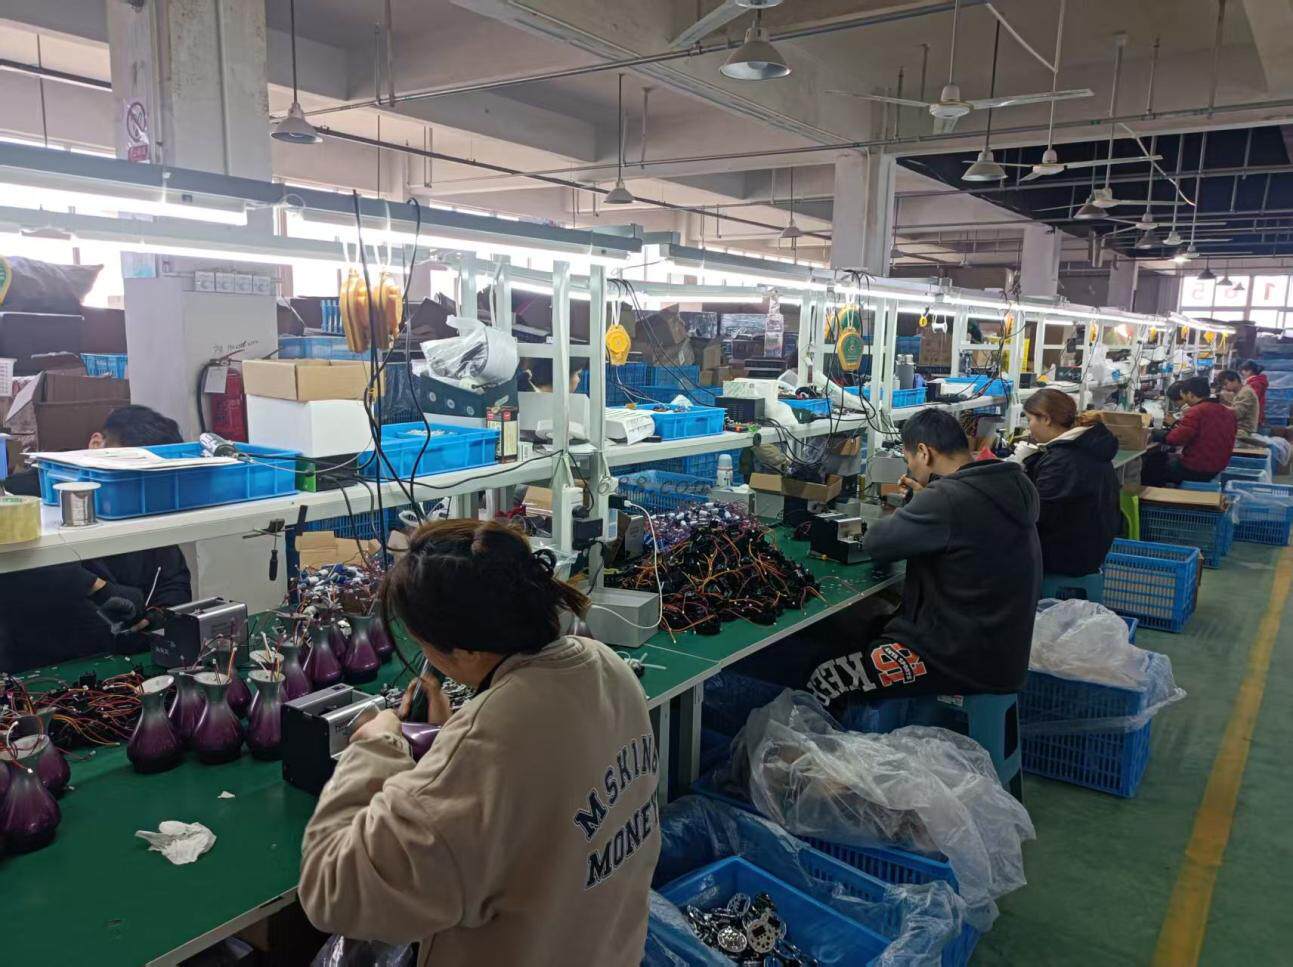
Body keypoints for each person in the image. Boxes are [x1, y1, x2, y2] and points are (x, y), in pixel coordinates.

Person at [299, 520, 658, 967]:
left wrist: (375, 748)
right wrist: (460, 733)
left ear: (466, 651)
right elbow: (542, 785)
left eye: (424, 645)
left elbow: (330, 893)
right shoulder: (606, 666)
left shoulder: (489, 749)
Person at [739, 409, 1042, 714]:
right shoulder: (1013, 483)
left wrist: (917, 504)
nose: (910, 466)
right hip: (1001, 650)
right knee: (860, 627)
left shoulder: (948, 498)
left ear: (924, 452)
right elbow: (961, 525)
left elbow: (877, 543)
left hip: (953, 659)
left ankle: (831, 742)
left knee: (824, 676)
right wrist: (924, 500)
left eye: (909, 458)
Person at [0, 405, 191, 672]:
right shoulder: (22, 493)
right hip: (44, 666)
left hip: (130, 661)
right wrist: (96, 587)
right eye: (128, 470)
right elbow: (18, 564)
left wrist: (163, 613)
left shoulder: (144, 500)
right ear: (96, 443)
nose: (134, 484)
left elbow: (173, 576)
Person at [1018, 389, 1120, 577]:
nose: (1028, 427)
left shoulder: (1063, 460)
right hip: (1090, 546)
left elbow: (1038, 513)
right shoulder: (1086, 445)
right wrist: (1035, 460)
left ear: (1046, 419)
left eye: (1029, 419)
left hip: (1069, 555)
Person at [1141, 376, 1238, 487]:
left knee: (1152, 462)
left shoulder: (1197, 411)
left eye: (1185, 396)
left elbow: (1177, 439)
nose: (1185, 400)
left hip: (1197, 468)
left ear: (1191, 394)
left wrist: (1157, 434)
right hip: (1217, 467)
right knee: (1164, 458)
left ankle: (1156, 495)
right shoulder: (1228, 412)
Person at [1217, 369, 1261, 440]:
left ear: (1235, 380)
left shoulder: (1246, 392)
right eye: (1222, 385)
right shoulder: (1239, 392)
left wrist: (1218, 407)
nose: (1224, 387)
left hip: (1243, 431)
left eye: (1225, 384)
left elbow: (1237, 413)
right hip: (1239, 429)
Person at [1240, 359, 1268, 427]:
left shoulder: (1255, 383)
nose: (1242, 373)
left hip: (1252, 415)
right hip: (1255, 414)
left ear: (1250, 371)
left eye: (1244, 370)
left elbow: (1250, 399)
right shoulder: (1255, 382)